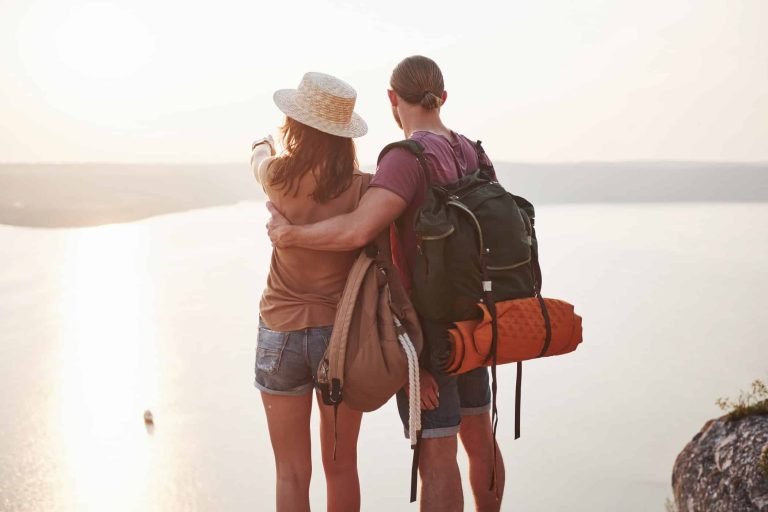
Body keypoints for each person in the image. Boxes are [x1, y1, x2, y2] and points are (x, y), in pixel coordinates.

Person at [267, 56, 505, 512]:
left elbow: (359, 231)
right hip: (477, 324)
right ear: (443, 97)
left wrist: (291, 235)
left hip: (431, 336)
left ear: (393, 101)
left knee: (437, 456)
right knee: (480, 440)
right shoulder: (474, 152)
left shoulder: (403, 159)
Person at [250, 71, 369, 512]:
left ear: (296, 124)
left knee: (290, 472)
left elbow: (259, 159)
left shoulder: (278, 177)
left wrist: (264, 145)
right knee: (342, 467)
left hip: (279, 333)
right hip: (338, 339)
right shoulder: (361, 188)